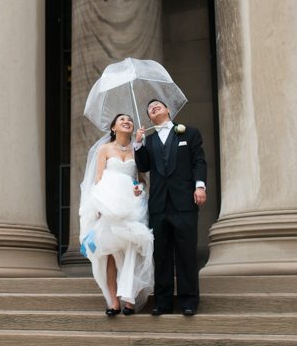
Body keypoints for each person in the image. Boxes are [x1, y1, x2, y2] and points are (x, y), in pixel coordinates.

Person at [134, 99, 207, 316]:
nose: (153, 106)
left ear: (167, 110)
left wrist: (200, 186)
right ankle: (163, 302)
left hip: (185, 201)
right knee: (161, 254)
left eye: (158, 104)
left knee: (186, 252)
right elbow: (144, 166)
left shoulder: (189, 133)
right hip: (158, 205)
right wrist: (138, 145)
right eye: (149, 107)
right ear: (148, 116)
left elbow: (199, 162)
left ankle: (188, 302)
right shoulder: (149, 139)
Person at [79, 113, 154, 316]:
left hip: (132, 204)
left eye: (129, 119)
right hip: (109, 204)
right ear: (113, 128)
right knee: (112, 254)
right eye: (121, 119)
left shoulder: (137, 149)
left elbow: (140, 179)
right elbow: (98, 178)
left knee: (132, 250)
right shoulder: (104, 149)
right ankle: (113, 301)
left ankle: (128, 298)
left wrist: (139, 187)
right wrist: (98, 206)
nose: (127, 121)